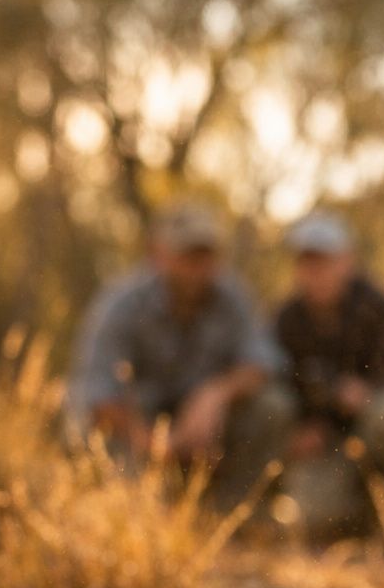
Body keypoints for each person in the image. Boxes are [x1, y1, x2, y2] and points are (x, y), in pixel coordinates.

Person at [67, 203, 293, 508]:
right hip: (138, 428)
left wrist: (216, 395)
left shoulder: (232, 295)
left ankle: (233, 510)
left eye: (205, 255)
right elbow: (97, 395)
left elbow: (264, 362)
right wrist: (156, 443)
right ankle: (128, 503)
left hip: (202, 430)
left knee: (273, 405)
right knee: (94, 438)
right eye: (187, 256)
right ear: (158, 255)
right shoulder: (120, 304)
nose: (197, 267)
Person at [272, 213, 384, 530]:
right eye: (307, 262)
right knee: (305, 517)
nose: (315, 272)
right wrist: (308, 426)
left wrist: (366, 395)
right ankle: (377, 524)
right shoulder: (287, 320)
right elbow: (286, 384)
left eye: (324, 261)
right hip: (334, 441)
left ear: (347, 261)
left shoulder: (378, 306)